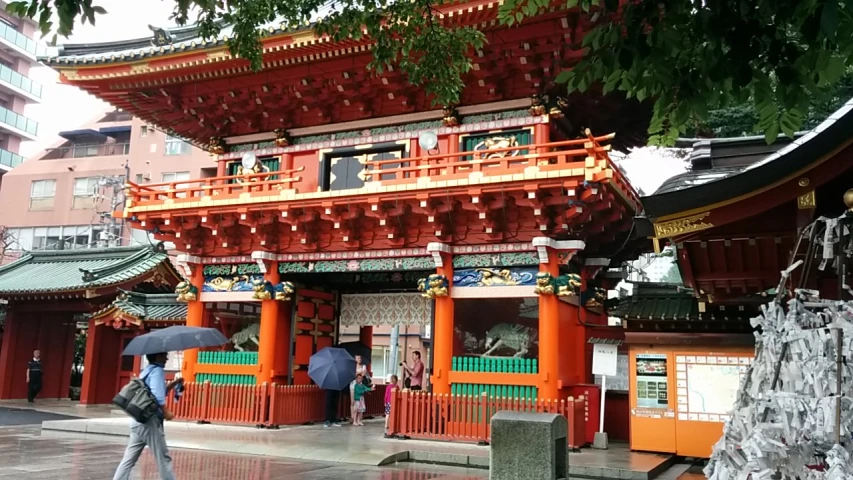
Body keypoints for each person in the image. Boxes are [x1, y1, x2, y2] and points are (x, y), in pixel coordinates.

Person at [113, 352, 184, 480]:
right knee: (163, 458)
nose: (167, 358)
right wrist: (166, 412)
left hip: (138, 420)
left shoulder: (146, 371)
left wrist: (173, 384)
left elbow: (150, 393)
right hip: (149, 422)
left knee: (128, 460)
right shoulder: (157, 371)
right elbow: (157, 396)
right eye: (164, 355)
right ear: (157, 357)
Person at [349, 354, 367, 424]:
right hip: (352, 384)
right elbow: (353, 374)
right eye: (358, 358)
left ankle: (359, 418)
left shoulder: (363, 366)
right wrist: (359, 372)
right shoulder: (352, 366)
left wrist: (357, 373)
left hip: (360, 385)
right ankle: (353, 417)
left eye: (360, 358)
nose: (359, 359)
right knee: (353, 401)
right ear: (355, 359)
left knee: (360, 401)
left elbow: (363, 374)